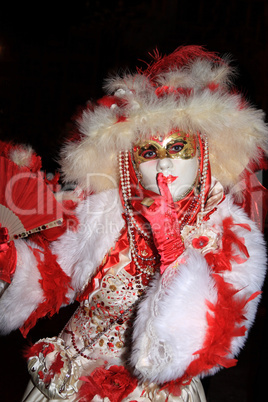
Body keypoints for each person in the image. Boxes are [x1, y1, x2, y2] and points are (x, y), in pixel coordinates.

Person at [0, 46, 267, 402]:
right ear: (129, 160)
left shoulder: (231, 230)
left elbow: (215, 336)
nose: (164, 166)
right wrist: (10, 258)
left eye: (178, 148)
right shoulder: (105, 209)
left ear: (204, 153)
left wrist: (174, 253)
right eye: (149, 152)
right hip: (70, 382)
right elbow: (52, 277)